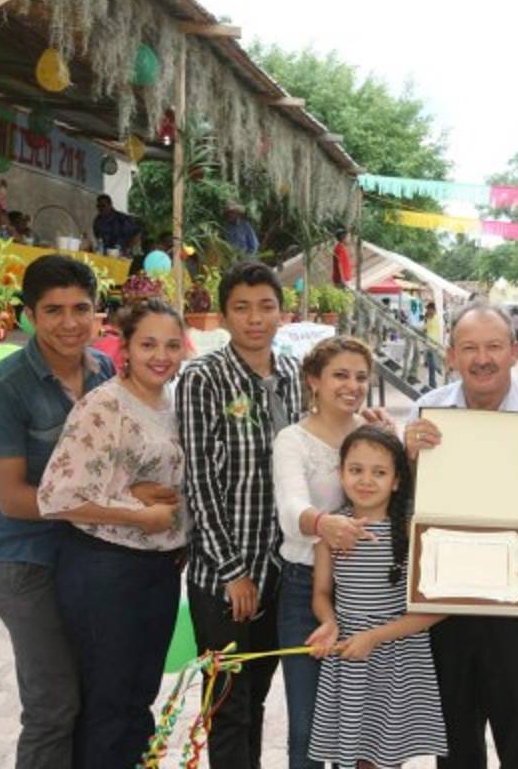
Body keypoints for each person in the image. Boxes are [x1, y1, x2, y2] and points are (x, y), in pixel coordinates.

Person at [404, 302, 518, 769]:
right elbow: (409, 504)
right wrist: (408, 460)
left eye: (494, 346)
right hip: (445, 602)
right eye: (469, 348)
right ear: (451, 355)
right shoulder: (427, 411)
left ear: (515, 351)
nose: (482, 359)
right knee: (455, 740)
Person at [0, 255, 114, 768]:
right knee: (53, 707)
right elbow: (11, 497)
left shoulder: (105, 372)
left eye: (81, 308)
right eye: (53, 310)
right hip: (27, 562)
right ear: (28, 315)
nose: (70, 323)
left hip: (94, 558)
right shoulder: (1, 386)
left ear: (97, 312)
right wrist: (117, 513)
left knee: (96, 699)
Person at [37, 298, 187, 767]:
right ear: (126, 347)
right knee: (107, 701)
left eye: (171, 345)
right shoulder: (104, 406)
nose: (160, 356)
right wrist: (138, 513)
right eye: (148, 344)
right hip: (105, 569)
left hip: (160, 569)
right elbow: (56, 497)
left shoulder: (175, 403)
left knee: (139, 697)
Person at [177, 261, 302, 767]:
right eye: (242, 308)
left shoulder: (294, 374)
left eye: (266, 307)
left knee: (257, 697)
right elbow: (199, 482)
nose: (255, 319)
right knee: (228, 704)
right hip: (222, 578)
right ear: (224, 316)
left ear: (282, 313)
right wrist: (233, 572)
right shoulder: (203, 378)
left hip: (280, 571)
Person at [307, 426, 448, 767]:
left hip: (397, 657)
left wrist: (374, 637)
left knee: (384, 757)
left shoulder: (414, 530)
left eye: (379, 472)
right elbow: (321, 593)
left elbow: (438, 609)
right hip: (349, 655)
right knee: (350, 756)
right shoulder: (332, 530)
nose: (366, 481)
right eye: (356, 470)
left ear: (397, 481)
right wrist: (329, 622)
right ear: (341, 474)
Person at [272, 336, 377, 769]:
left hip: (368, 591)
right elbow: (290, 509)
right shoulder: (292, 440)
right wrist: (322, 524)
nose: (352, 385)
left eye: (361, 377)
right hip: (304, 590)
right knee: (308, 727)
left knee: (366, 730)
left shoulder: (375, 434)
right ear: (313, 380)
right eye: (340, 375)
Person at [424, 301, 443, 388]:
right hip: (429, 344)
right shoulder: (429, 318)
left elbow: (439, 331)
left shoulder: (436, 319)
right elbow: (426, 329)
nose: (427, 311)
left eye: (429, 309)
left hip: (433, 345)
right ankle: (432, 383)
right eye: (427, 309)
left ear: (433, 309)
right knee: (430, 366)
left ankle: (433, 384)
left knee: (432, 366)